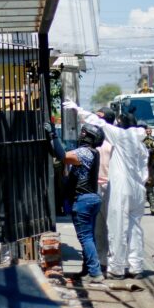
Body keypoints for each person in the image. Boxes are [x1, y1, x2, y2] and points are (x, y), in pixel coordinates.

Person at [63, 100, 148, 280]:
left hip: (121, 188)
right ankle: (136, 267)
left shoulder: (121, 136)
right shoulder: (142, 144)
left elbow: (98, 122)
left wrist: (78, 109)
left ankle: (117, 269)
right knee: (135, 229)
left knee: (117, 228)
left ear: (122, 125)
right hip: (139, 190)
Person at [44, 121, 106, 283]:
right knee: (88, 237)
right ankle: (87, 270)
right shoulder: (91, 152)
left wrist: (53, 135)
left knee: (85, 237)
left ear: (90, 137)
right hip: (91, 199)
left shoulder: (85, 152)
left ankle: (95, 272)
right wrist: (51, 140)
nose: (81, 134)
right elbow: (59, 154)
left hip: (84, 200)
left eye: (84, 133)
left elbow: (63, 157)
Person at [94, 106, 115, 271]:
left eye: (100, 118)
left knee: (113, 226)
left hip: (111, 186)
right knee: (98, 226)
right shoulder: (95, 137)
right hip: (95, 186)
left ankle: (116, 261)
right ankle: (102, 261)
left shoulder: (115, 139)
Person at [140, 122, 154, 216]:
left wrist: (151, 151)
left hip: (148, 166)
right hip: (137, 168)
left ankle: (153, 208)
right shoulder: (135, 139)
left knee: (149, 187)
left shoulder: (151, 140)